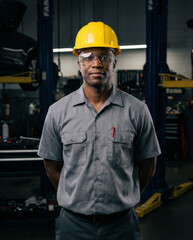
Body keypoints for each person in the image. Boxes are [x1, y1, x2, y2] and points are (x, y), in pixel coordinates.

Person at [38, 21, 161, 240]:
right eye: (88, 57)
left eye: (104, 56)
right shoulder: (58, 112)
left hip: (122, 226)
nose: (97, 63)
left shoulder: (137, 111)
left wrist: (123, 196)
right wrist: (75, 197)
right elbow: (52, 167)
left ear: (114, 62)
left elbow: (148, 166)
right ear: (78, 63)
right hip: (73, 226)